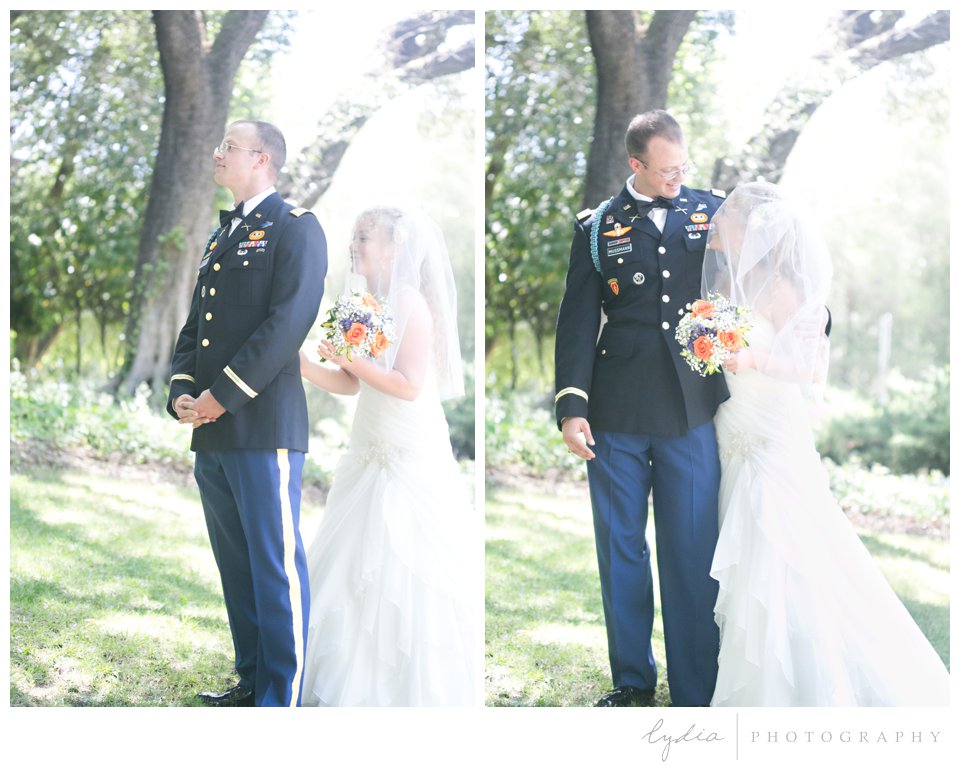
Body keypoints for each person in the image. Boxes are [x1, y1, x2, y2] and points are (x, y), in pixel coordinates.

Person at [704, 181, 949, 706]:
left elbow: (808, 368)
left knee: (784, 543)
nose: (717, 226)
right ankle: (751, 670)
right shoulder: (729, 281)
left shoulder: (786, 289)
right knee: (744, 544)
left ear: (753, 230)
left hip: (771, 431)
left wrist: (749, 360)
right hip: (733, 425)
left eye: (728, 220)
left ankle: (798, 677)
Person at [554, 110, 729, 706]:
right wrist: (571, 407)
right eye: (666, 170)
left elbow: (758, 276)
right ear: (636, 165)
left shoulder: (714, 210)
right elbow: (576, 322)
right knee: (621, 546)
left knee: (691, 549)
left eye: (683, 166)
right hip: (615, 413)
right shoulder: (597, 226)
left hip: (691, 410)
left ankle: (696, 688)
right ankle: (632, 679)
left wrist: (811, 318)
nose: (677, 177)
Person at [167, 119, 327, 707]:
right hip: (209, 428)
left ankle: (281, 696)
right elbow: (197, 328)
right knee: (236, 561)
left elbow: (287, 325)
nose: (217, 153)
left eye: (228, 147)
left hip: (262, 424)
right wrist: (183, 392)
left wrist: (221, 396)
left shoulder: (296, 229)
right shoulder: (221, 236)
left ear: (261, 159)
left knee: (274, 564)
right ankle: (252, 678)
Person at [298, 205, 476, 706]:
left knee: (405, 555)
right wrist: (308, 367)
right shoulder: (367, 300)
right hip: (367, 442)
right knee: (351, 553)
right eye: (355, 237)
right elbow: (352, 384)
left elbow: (406, 384)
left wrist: (346, 357)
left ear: (394, 248)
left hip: (405, 443)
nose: (355, 246)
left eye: (364, 238)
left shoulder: (410, 302)